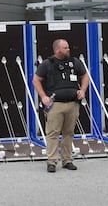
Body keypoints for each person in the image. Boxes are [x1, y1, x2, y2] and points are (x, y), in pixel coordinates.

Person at [33, 38, 89, 173]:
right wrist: (43, 96)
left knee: (69, 133)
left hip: (72, 103)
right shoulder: (47, 64)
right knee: (53, 133)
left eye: (68, 47)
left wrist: (83, 90)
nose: (68, 49)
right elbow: (36, 80)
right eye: (65, 48)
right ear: (57, 50)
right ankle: (51, 161)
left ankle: (67, 160)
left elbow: (85, 76)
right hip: (55, 105)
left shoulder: (75, 62)